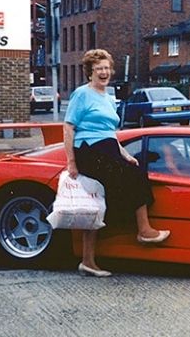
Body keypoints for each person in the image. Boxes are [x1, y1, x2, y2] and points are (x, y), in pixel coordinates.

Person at [63, 49, 170, 277]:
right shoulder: (82, 94)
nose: (104, 72)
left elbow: (109, 132)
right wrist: (71, 162)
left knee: (108, 195)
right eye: (98, 69)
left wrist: (124, 154)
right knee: (131, 178)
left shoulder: (108, 96)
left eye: (106, 68)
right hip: (88, 150)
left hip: (108, 148)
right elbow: (69, 127)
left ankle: (88, 261)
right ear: (90, 72)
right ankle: (143, 231)